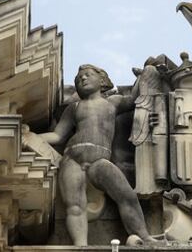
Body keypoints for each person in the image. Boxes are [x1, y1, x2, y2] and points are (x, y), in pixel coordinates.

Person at [39, 64, 155, 246]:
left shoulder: (113, 102)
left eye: (87, 75)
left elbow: (134, 99)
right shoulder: (74, 107)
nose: (82, 79)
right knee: (75, 206)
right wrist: (30, 136)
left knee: (127, 196)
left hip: (99, 161)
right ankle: (80, 246)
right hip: (72, 159)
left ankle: (145, 237)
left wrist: (145, 75)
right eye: (78, 79)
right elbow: (58, 135)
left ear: (102, 81)